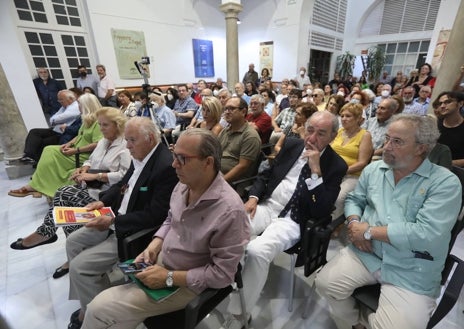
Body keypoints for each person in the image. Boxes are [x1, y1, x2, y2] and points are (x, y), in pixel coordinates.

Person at [80, 128, 251, 329]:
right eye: (173, 155)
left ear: (208, 162)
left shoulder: (230, 211)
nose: (173, 164)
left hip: (188, 281)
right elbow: (172, 218)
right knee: (113, 314)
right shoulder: (184, 184)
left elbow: (223, 275)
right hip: (164, 262)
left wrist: (169, 278)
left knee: (99, 309)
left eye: (182, 158)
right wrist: (154, 245)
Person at [315, 114, 462, 329]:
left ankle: (370, 321)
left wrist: (369, 232)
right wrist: (354, 222)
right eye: (386, 139)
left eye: (397, 142)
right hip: (367, 253)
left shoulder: (445, 183)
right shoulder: (375, 170)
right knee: (325, 285)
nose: (386, 147)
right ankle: (357, 323)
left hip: (411, 267)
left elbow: (427, 233)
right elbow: (355, 199)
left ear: (421, 148)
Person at [222, 111, 347, 328]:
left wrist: (316, 172)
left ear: (332, 137)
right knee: (228, 228)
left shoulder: (336, 165)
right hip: (268, 205)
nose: (312, 138)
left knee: (257, 250)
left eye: (321, 133)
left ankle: (239, 314)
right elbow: (266, 175)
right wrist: (253, 197)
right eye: (310, 130)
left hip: (295, 218)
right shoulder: (291, 145)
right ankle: (233, 280)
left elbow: (321, 210)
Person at [65, 117, 178, 328]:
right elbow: (123, 185)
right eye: (126, 140)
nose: (127, 146)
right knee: (73, 241)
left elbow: (156, 215)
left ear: (150, 139)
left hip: (131, 231)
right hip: (115, 219)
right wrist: (102, 201)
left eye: (132, 140)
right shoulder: (141, 154)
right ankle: (88, 300)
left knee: (80, 267)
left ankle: (96, 314)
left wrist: (113, 221)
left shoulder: (164, 166)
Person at [10, 108, 131, 278]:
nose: (101, 129)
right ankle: (68, 248)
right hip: (91, 187)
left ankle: (48, 234)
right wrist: (83, 168)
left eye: (105, 125)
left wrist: (96, 175)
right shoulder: (105, 141)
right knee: (63, 197)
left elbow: (125, 176)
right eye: (100, 125)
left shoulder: (125, 145)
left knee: (64, 194)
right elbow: (91, 159)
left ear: (117, 126)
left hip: (108, 194)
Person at [9, 93, 103, 198]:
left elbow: (98, 144)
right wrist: (69, 143)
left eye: (80, 105)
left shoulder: (98, 122)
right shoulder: (86, 119)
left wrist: (75, 150)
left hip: (82, 154)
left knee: (49, 151)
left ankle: (35, 186)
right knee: (48, 149)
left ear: (87, 105)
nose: (78, 107)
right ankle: (36, 185)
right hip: (75, 149)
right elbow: (79, 135)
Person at [330, 103, 373, 220]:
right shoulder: (339, 131)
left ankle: (333, 225)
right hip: (332, 171)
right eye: (342, 116)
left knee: (338, 198)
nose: (344, 119)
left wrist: (341, 171)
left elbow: (362, 163)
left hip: (352, 175)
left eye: (348, 116)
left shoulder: (365, 135)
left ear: (358, 118)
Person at [19, 89, 81, 164]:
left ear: (70, 99)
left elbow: (59, 118)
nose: (59, 101)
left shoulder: (76, 106)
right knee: (34, 132)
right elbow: (52, 119)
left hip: (64, 133)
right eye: (58, 99)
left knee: (43, 142)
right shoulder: (64, 107)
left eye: (61, 99)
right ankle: (29, 156)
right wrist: (55, 120)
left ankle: (35, 159)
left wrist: (55, 120)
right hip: (56, 130)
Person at [218, 96, 262, 183]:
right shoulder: (225, 131)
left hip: (233, 182)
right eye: (225, 109)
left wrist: (220, 183)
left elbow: (242, 167)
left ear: (243, 112)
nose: (227, 112)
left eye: (231, 109)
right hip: (216, 173)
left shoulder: (250, 136)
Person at [435, 91, 464, 167]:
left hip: (456, 172)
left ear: (460, 103)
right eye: (440, 103)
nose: (442, 106)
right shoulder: (435, 124)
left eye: (447, 102)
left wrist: (447, 163)